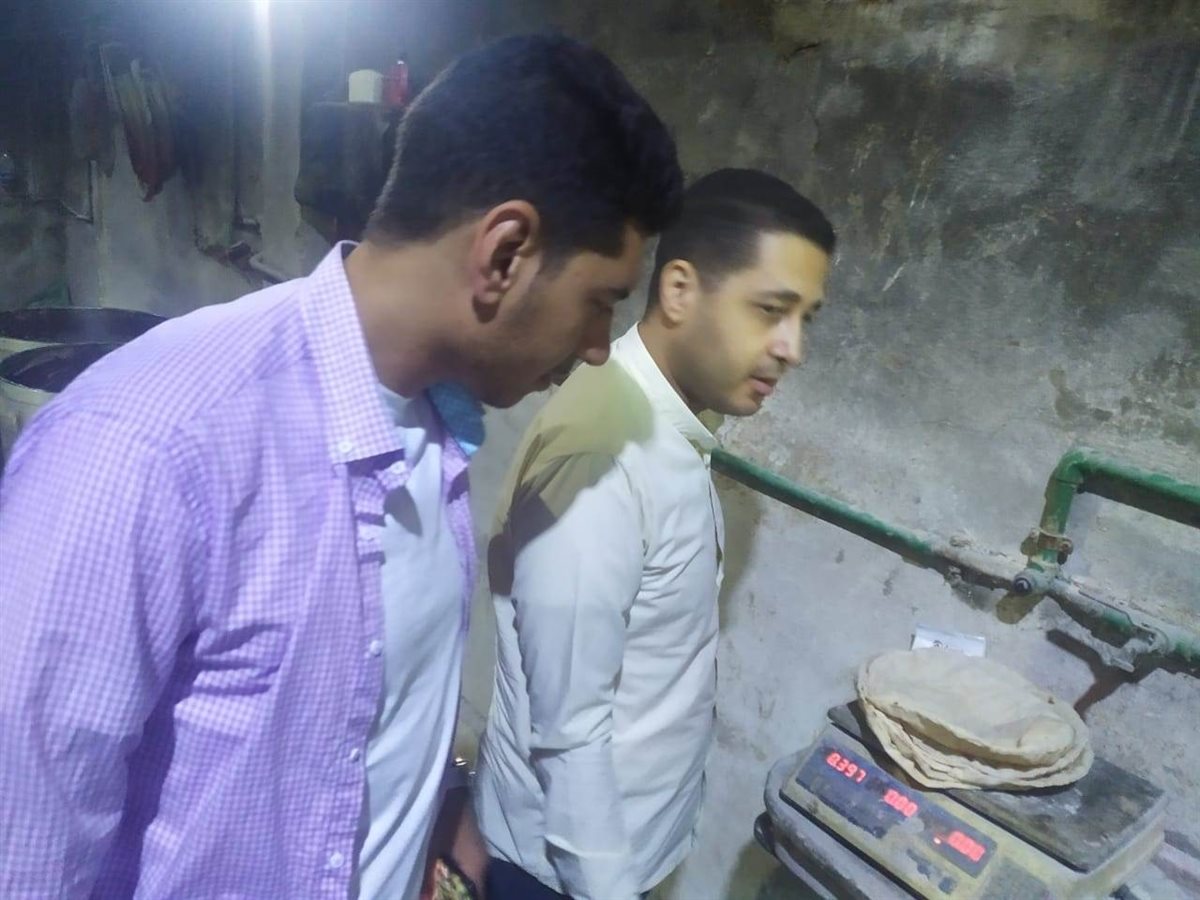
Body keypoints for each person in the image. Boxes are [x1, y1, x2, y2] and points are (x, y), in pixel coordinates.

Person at [0, 34, 682, 899]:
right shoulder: (147, 448)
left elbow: (371, 706)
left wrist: (438, 818)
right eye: (600, 304)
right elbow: (24, 850)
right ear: (505, 253)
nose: (597, 348)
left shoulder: (441, 427)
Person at [475, 168, 836, 900]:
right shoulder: (604, 457)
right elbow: (569, 730)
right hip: (567, 874)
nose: (792, 347)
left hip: (619, 849)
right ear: (678, 291)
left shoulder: (666, 428)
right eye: (770, 310)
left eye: (806, 318)